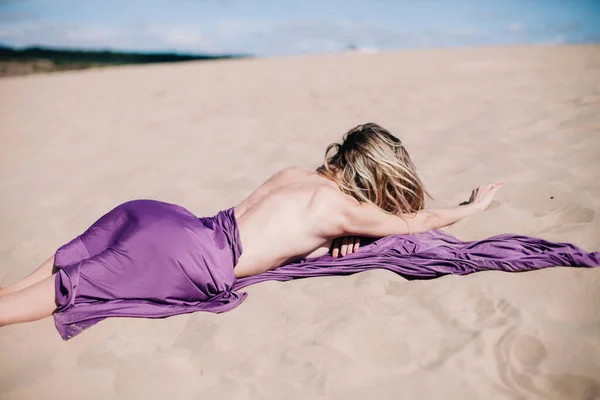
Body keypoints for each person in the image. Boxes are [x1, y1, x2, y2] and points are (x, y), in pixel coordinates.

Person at [0, 122, 502, 335]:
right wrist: (472, 209)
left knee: (74, 256)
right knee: (72, 289)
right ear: (376, 175)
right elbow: (416, 221)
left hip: (167, 216)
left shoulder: (297, 175)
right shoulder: (343, 209)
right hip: (190, 257)